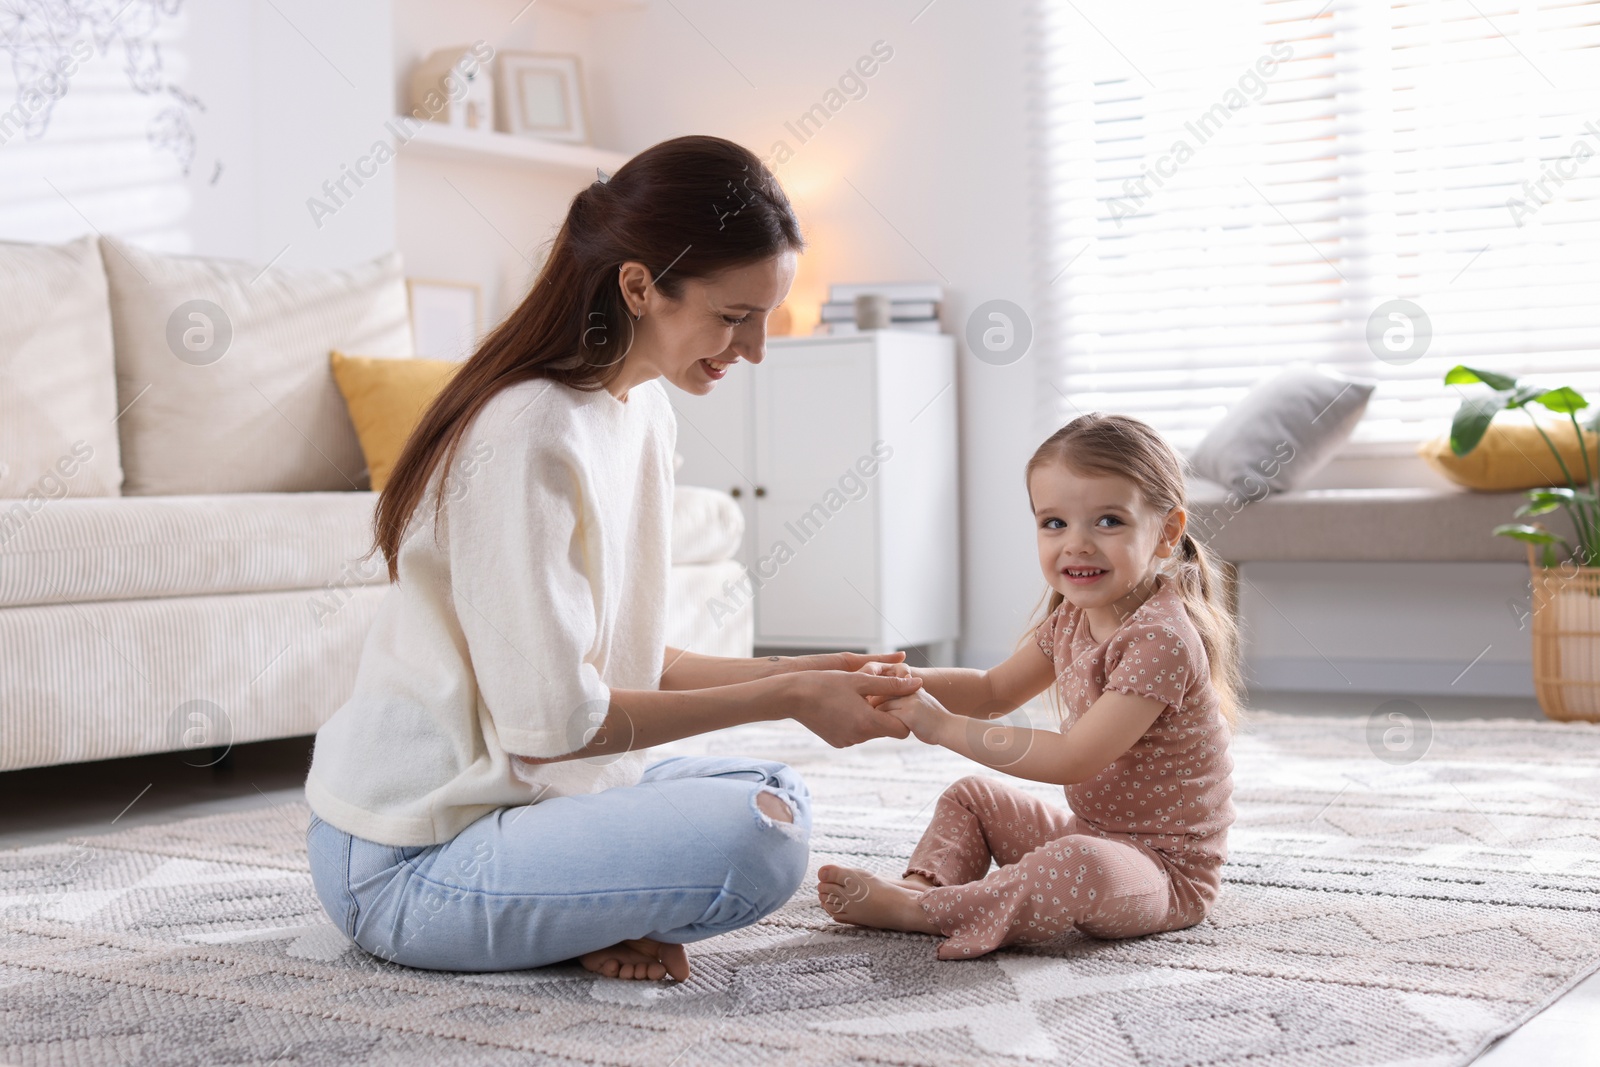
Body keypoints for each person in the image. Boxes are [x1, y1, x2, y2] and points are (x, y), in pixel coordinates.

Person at [304, 135, 923, 983]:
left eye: (764, 317)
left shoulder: (639, 412)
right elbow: (559, 724)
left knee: (769, 784)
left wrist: (814, 668)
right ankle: (568, 908)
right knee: (758, 834)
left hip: (520, 807)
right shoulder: (528, 428)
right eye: (736, 315)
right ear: (639, 286)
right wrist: (785, 694)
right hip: (407, 860)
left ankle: (570, 910)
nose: (755, 350)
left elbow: (633, 659)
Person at [817, 413, 1239, 960]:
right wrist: (908, 681)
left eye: (1108, 521)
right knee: (972, 798)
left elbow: (1074, 758)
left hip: (1163, 873)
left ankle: (923, 914)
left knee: (1075, 865)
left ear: (1166, 533)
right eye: (1054, 523)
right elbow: (993, 690)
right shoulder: (1070, 619)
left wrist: (941, 726)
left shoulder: (1163, 640)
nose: (1077, 544)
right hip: (1091, 832)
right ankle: (926, 885)